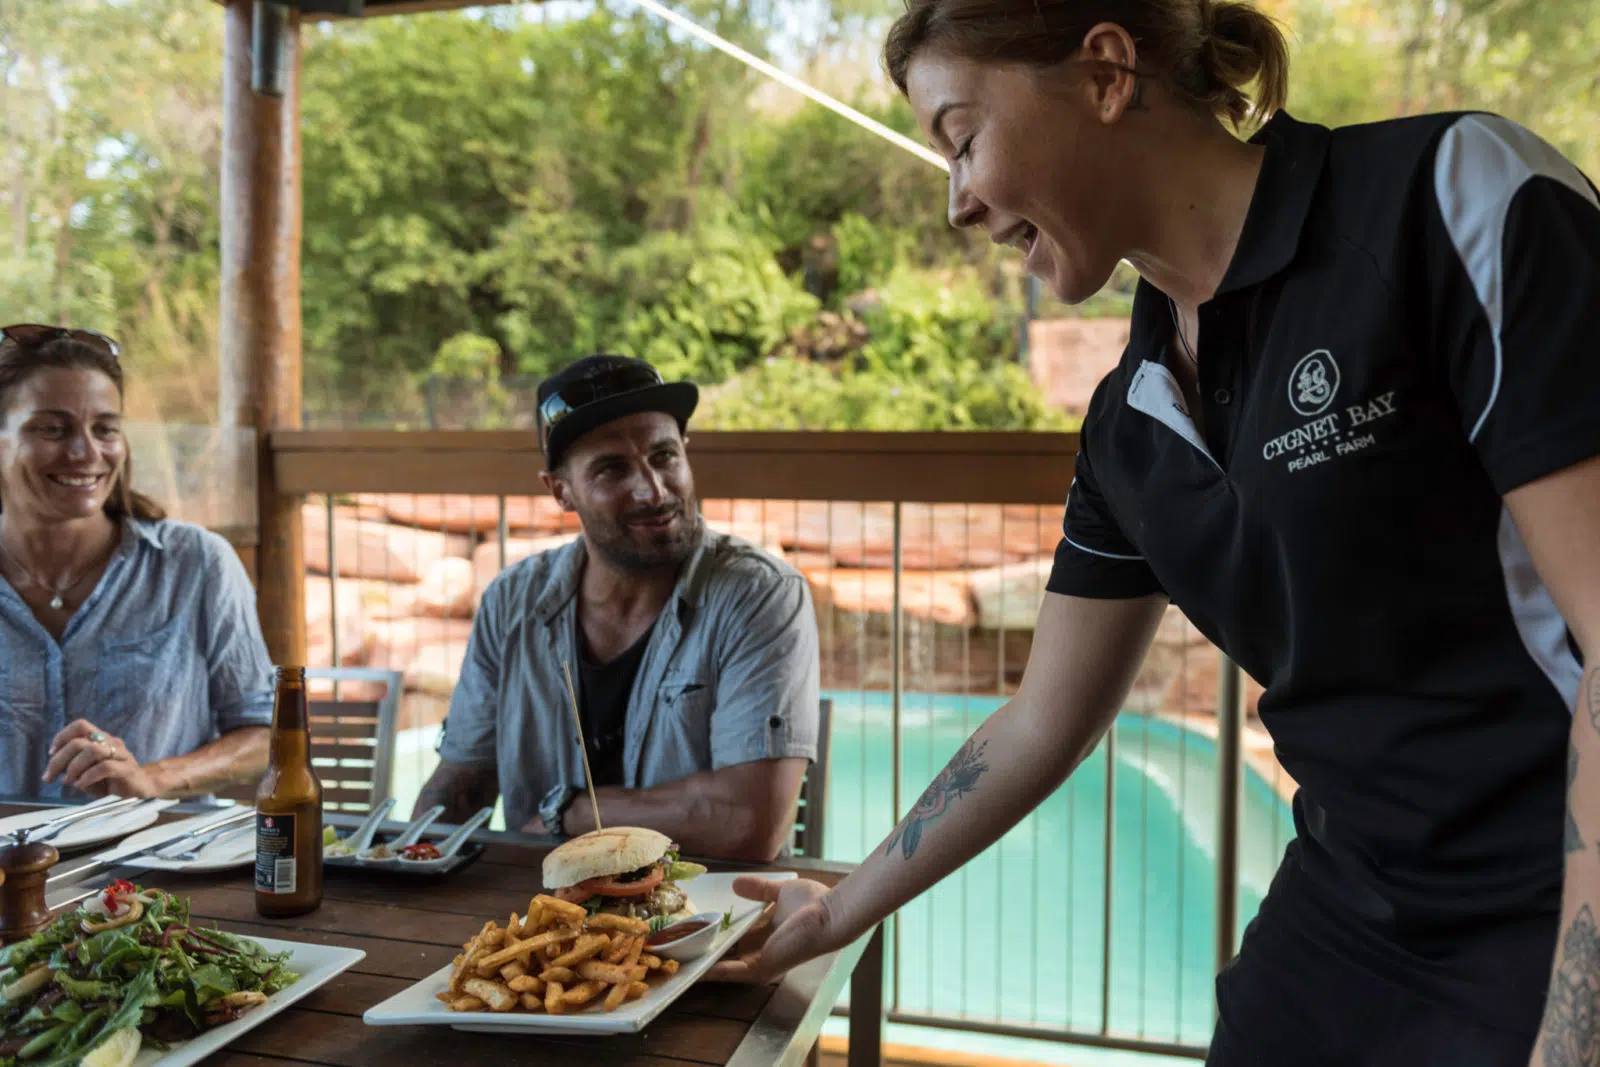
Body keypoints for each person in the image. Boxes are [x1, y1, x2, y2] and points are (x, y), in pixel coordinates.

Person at [706, 2, 1600, 1064]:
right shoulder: (1133, 422)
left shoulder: (1447, 197)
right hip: (1350, 908)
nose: (957, 204)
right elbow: (1040, 721)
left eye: (961, 139)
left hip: (1552, 894)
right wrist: (834, 909)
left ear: (1104, 75)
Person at [415, 354, 821, 863]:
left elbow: (750, 822)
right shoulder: (511, 601)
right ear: (560, 491)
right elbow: (463, 783)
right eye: (612, 469)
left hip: (704, 918)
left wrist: (571, 814)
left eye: (664, 456)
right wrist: (407, 868)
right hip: (540, 919)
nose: (653, 490)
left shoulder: (758, 594)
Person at [0, 325, 274, 801]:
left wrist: (153, 779)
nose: (86, 452)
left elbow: (267, 735)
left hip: (157, 870)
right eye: (52, 428)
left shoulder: (196, 566)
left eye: (105, 428)